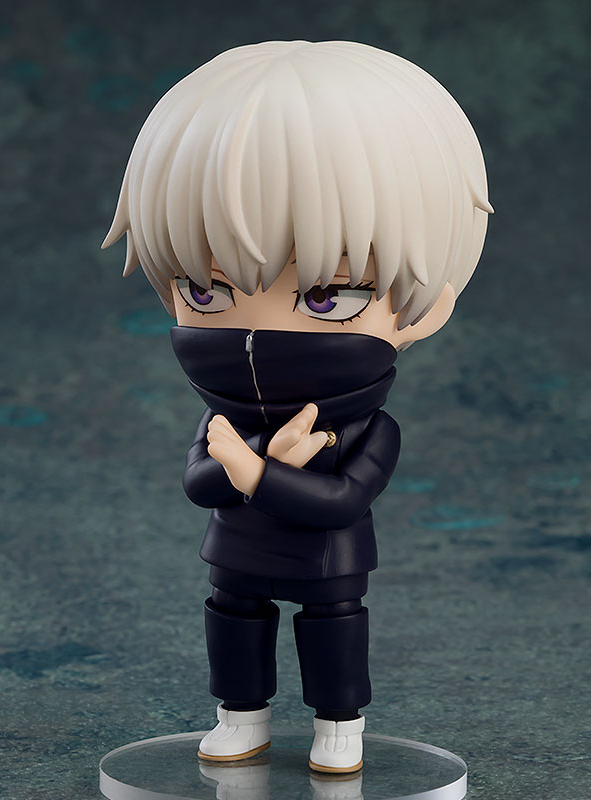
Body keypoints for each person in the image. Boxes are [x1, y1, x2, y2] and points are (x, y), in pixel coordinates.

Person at [103, 40, 492, 773]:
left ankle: (339, 727)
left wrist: (255, 472)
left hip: (327, 561)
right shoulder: (227, 420)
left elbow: (343, 499)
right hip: (236, 552)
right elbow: (199, 483)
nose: (256, 333)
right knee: (233, 620)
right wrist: (252, 460)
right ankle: (239, 717)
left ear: (428, 310)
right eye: (205, 291)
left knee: (333, 626)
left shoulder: (369, 429)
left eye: (328, 296)